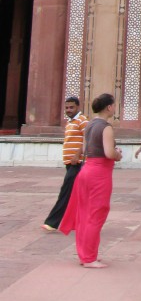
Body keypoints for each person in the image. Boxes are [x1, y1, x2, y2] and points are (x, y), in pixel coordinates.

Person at [59, 92, 123, 268]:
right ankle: (89, 258)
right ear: (109, 107)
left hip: (86, 170)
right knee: (96, 214)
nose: (114, 108)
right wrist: (118, 154)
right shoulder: (106, 127)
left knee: (85, 214)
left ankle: (87, 254)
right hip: (99, 174)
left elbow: (85, 148)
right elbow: (109, 153)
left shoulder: (90, 124)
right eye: (114, 105)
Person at [42, 96, 89, 231]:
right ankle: (78, 221)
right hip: (70, 163)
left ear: (78, 107)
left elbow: (87, 139)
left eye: (71, 107)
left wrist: (77, 154)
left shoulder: (82, 121)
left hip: (77, 163)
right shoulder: (70, 122)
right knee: (76, 194)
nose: (69, 110)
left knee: (65, 192)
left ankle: (52, 222)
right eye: (67, 107)